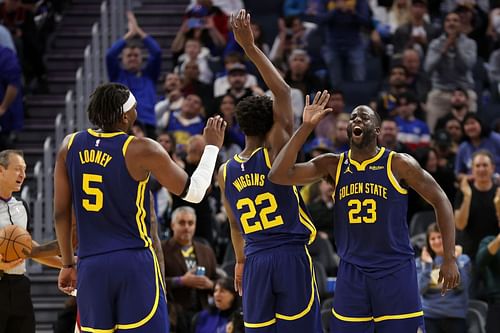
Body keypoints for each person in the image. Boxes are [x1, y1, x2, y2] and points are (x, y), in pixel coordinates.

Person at [268, 102, 460, 332]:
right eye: (353, 117)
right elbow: (279, 175)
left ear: (377, 130)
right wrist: (306, 127)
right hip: (352, 271)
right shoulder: (333, 164)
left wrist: (449, 258)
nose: (357, 120)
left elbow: (442, 200)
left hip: (394, 269)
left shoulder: (398, 164)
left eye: (364, 118)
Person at [53, 83, 226, 332]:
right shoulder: (141, 148)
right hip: (133, 261)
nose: (138, 109)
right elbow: (196, 192)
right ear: (125, 116)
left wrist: (68, 264)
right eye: (134, 106)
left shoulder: (69, 146)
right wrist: (211, 147)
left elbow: (61, 213)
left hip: (91, 265)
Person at [218, 10, 322, 332]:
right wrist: (250, 48)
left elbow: (235, 225)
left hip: (254, 259)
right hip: (289, 254)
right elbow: (281, 91)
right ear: (271, 125)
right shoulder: (275, 152)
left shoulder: (226, 170)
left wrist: (239, 261)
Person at [0, 149, 64, 333]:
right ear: (1, 171)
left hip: (20, 285)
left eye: (25, 169)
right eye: (17, 169)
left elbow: (28, 248)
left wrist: (65, 263)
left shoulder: (22, 206)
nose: (22, 174)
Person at [162, 206, 218, 332]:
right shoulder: (161, 249)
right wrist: (181, 281)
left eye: (190, 223)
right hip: (173, 313)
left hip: (202, 312)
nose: (187, 227)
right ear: (172, 225)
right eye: (181, 223)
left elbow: (217, 279)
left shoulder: (206, 250)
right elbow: (153, 282)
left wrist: (210, 284)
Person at [106, 11, 161, 138]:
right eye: (129, 56)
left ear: (141, 58)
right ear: (123, 59)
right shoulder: (117, 75)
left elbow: (156, 52)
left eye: (136, 55)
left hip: (148, 125)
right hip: (122, 123)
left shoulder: (149, 75)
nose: (132, 58)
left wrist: (139, 32)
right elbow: (110, 55)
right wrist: (129, 35)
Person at [416, 223, 471, 333]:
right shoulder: (420, 263)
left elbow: (462, 286)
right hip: (429, 315)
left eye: (440, 237)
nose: (436, 241)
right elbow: (418, 290)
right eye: (432, 238)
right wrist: (427, 266)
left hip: (454, 315)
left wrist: (453, 260)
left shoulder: (463, 259)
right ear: (428, 242)